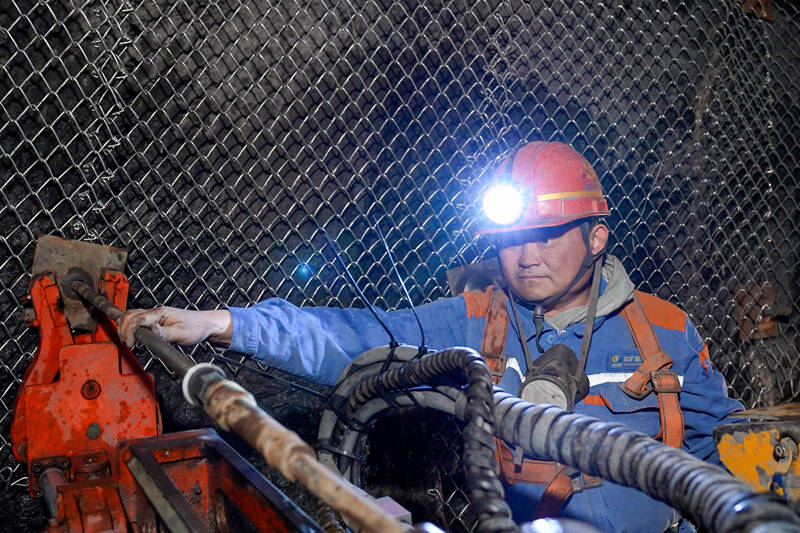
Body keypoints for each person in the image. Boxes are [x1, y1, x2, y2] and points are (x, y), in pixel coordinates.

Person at [119, 141, 743, 532]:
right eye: (512, 240)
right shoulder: (475, 319)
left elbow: (723, 449)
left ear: (596, 237)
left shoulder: (664, 331)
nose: (526, 257)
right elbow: (354, 336)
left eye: (547, 236)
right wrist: (225, 323)